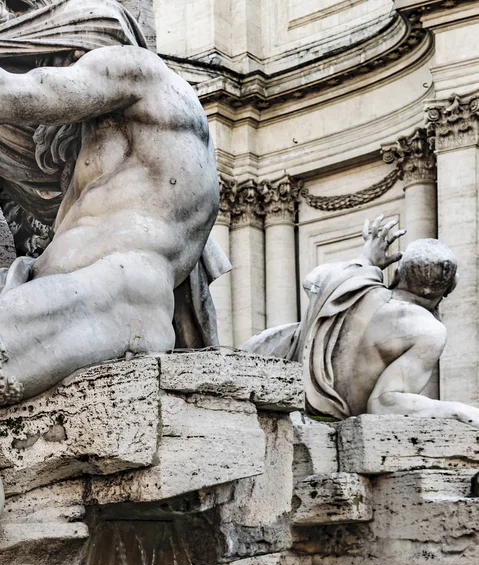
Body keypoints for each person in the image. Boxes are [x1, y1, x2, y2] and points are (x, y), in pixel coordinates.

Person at [0, 0, 228, 404]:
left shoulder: (135, 69)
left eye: (52, 61)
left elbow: (23, 93)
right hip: (67, 293)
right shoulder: (107, 150)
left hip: (116, 297)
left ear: (78, 44)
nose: (53, 71)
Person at [244, 215, 479, 428]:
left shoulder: (350, 282)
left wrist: (367, 260)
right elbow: (383, 404)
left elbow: (313, 279)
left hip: (286, 411)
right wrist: (460, 411)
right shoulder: (427, 330)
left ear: (397, 273)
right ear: (451, 287)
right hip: (326, 428)